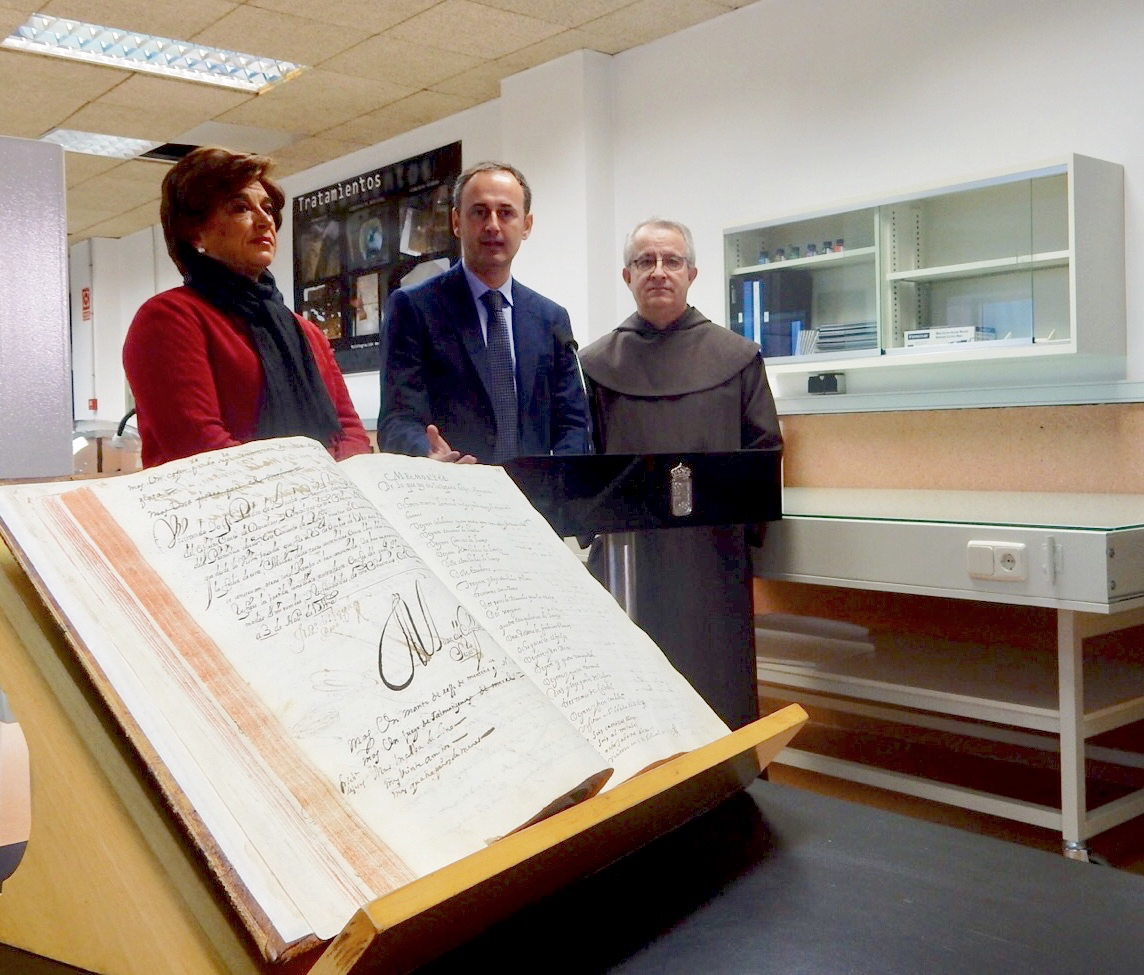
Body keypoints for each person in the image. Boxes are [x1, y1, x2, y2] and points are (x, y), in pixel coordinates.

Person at [578, 218, 783, 729]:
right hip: (629, 560)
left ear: (692, 273)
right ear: (626, 276)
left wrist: (744, 534)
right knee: (635, 695)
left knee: (716, 691)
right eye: (645, 261)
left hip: (712, 559)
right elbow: (582, 458)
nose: (658, 272)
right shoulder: (596, 364)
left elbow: (765, 449)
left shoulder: (737, 359)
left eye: (671, 261)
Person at [123, 146, 376, 468]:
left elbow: (349, 430)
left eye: (268, 209)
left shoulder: (306, 332)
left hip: (321, 506)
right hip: (222, 511)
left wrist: (341, 478)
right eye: (240, 208)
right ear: (195, 231)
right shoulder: (169, 319)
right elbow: (200, 448)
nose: (264, 221)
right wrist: (308, 484)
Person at [377, 161, 590, 463]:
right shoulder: (413, 308)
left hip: (535, 499)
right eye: (479, 212)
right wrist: (427, 454)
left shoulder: (551, 319)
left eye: (506, 213)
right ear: (456, 222)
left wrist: (562, 480)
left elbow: (573, 422)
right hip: (454, 492)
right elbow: (397, 419)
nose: (493, 225)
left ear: (526, 225)